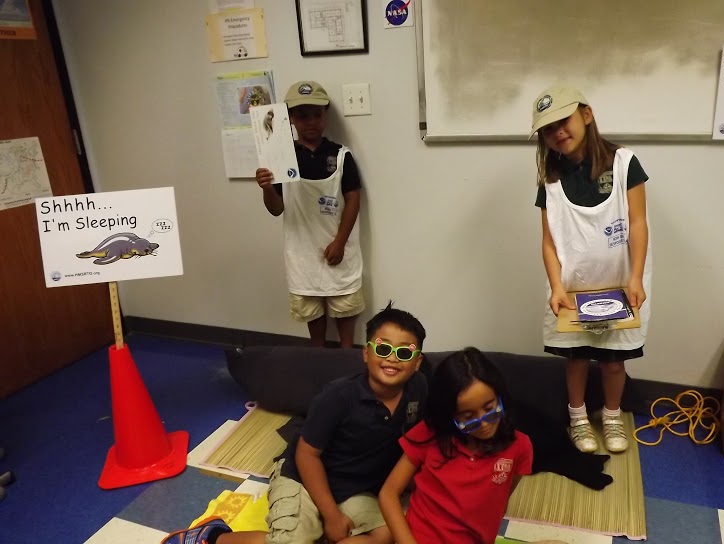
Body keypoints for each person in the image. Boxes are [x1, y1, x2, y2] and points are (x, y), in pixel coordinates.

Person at [162, 303, 427, 544]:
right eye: (383, 348)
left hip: (355, 487)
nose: (393, 358)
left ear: (417, 363)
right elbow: (306, 455)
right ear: (366, 354)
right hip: (302, 477)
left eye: (405, 352)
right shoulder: (339, 396)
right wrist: (332, 516)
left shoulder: (419, 389)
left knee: (387, 533)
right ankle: (213, 537)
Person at [531, 86, 651, 454]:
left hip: (620, 282)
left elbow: (638, 223)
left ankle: (612, 415)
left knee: (614, 362)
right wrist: (556, 287)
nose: (557, 132)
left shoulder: (624, 163)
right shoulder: (550, 180)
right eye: (547, 129)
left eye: (563, 120)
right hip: (573, 287)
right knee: (577, 358)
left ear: (586, 114)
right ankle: (579, 418)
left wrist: (635, 277)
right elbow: (549, 241)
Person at [378, 347, 533, 544]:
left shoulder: (519, 446)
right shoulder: (430, 433)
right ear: (449, 414)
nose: (484, 424)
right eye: (468, 417)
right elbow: (388, 493)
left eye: (490, 408)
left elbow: (499, 502)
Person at [256, 80, 364, 348]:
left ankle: (346, 358)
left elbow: (353, 199)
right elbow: (276, 209)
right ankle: (317, 357)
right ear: (291, 118)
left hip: (338, 247)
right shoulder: (281, 158)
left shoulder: (341, 155)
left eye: (317, 114)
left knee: (345, 304)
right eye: (303, 116)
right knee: (310, 308)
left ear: (325, 115)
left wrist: (340, 241)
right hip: (301, 252)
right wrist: (267, 188)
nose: (311, 122)